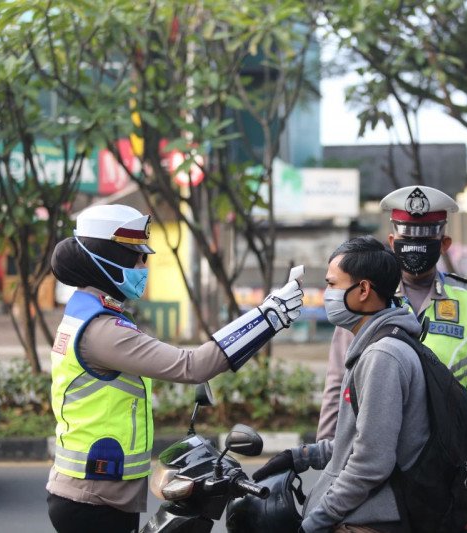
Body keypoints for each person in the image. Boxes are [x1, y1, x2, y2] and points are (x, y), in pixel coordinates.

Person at [45, 204, 304, 533]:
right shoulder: (102, 331)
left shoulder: (89, 314)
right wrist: (269, 317)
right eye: (138, 257)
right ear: (107, 258)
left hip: (92, 492)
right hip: (93, 498)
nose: (144, 266)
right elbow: (191, 365)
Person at [317, 185, 467, 510]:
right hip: (379, 453)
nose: (414, 250)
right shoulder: (366, 297)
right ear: (392, 242)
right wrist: (326, 449)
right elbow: (337, 382)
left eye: (425, 242)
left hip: (453, 455)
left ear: (444, 244)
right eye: (407, 241)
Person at [254, 235, 428, 532]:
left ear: (363, 290)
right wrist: (302, 456)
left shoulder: (382, 356)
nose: (326, 294)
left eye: (332, 284)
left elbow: (371, 463)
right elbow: (361, 440)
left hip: (370, 522)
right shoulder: (372, 345)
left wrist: (316, 522)